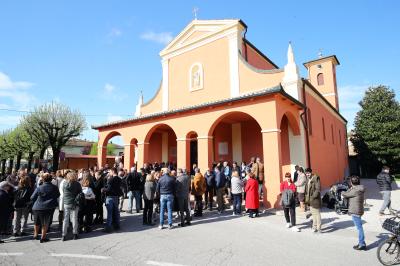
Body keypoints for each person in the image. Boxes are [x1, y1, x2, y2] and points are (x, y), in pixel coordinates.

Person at [30, 173, 60, 243]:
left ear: (43, 179)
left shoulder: (39, 187)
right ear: (51, 179)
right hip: (48, 207)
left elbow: (32, 197)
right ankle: (43, 237)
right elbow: (58, 195)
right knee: (45, 223)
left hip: (37, 207)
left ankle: (35, 235)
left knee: (36, 222)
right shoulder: (55, 187)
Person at [342, 175, 367, 251]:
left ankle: (362, 244)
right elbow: (349, 192)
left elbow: (345, 194)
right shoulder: (359, 188)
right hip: (358, 209)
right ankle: (361, 243)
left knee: (359, 228)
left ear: (351, 182)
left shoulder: (355, 190)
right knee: (359, 228)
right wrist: (351, 187)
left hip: (355, 210)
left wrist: (342, 191)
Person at [62, 171, 82, 241]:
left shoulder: (64, 183)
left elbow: (64, 192)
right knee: (74, 218)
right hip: (74, 203)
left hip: (66, 203)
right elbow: (80, 192)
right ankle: (75, 234)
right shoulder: (77, 184)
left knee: (65, 219)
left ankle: (64, 235)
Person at [102, 168, 122, 233]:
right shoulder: (119, 179)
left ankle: (108, 227)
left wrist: (103, 189)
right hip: (116, 197)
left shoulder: (111, 179)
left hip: (110, 197)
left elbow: (109, 189)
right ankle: (117, 225)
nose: (109, 172)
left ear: (113, 171)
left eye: (110, 171)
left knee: (110, 213)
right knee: (116, 212)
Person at [304, 168, 322, 233]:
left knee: (317, 213)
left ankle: (319, 228)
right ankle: (314, 227)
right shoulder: (308, 179)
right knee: (313, 214)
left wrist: (313, 197)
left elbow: (318, 189)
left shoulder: (316, 178)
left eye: (308, 173)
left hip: (315, 199)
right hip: (309, 199)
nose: (307, 174)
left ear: (311, 172)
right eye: (306, 173)